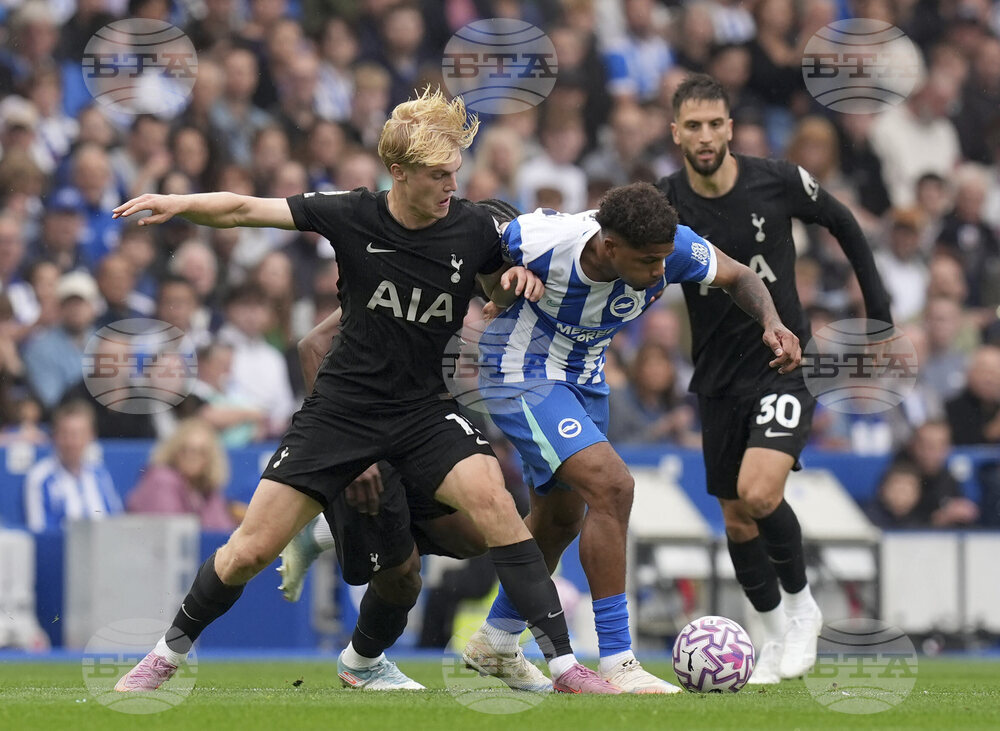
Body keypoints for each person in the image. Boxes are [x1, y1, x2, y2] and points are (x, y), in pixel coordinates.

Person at [111, 88, 618, 695]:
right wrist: (179, 202)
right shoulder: (352, 214)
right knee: (247, 552)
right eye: (437, 176)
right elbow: (245, 207)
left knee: (497, 511)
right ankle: (166, 655)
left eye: (454, 172)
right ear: (398, 173)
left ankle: (565, 666)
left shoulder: (477, 226)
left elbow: (500, 291)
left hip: (422, 411)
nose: (450, 185)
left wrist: (512, 280)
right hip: (341, 414)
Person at [461, 183, 800, 694]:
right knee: (614, 487)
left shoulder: (672, 247)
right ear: (609, 245)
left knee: (559, 521)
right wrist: (498, 286)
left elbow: (739, 275)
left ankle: (497, 639)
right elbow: (468, 245)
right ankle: (618, 660)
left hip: (585, 380)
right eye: (648, 262)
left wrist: (772, 322)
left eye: (665, 260)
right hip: (520, 373)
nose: (660, 273)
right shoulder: (542, 238)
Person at [656, 74, 893, 683]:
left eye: (716, 124)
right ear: (675, 131)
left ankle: (803, 610)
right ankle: (766, 636)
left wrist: (880, 316)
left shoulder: (777, 179)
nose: (706, 136)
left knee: (762, 494)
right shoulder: (665, 201)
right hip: (715, 377)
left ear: (730, 127)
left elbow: (843, 222)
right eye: (694, 126)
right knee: (736, 519)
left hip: (784, 363)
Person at [23, 399, 122, 532]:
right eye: (65, 434)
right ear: (55, 436)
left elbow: (117, 521)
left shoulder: (100, 473)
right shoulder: (40, 478)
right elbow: (39, 533)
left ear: (91, 436)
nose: (71, 442)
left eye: (78, 434)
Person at [126, 418, 239, 532]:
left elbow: (220, 531)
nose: (192, 456)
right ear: (174, 451)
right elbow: (171, 530)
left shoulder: (206, 491)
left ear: (210, 458)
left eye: (201, 451)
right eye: (185, 449)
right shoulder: (161, 480)